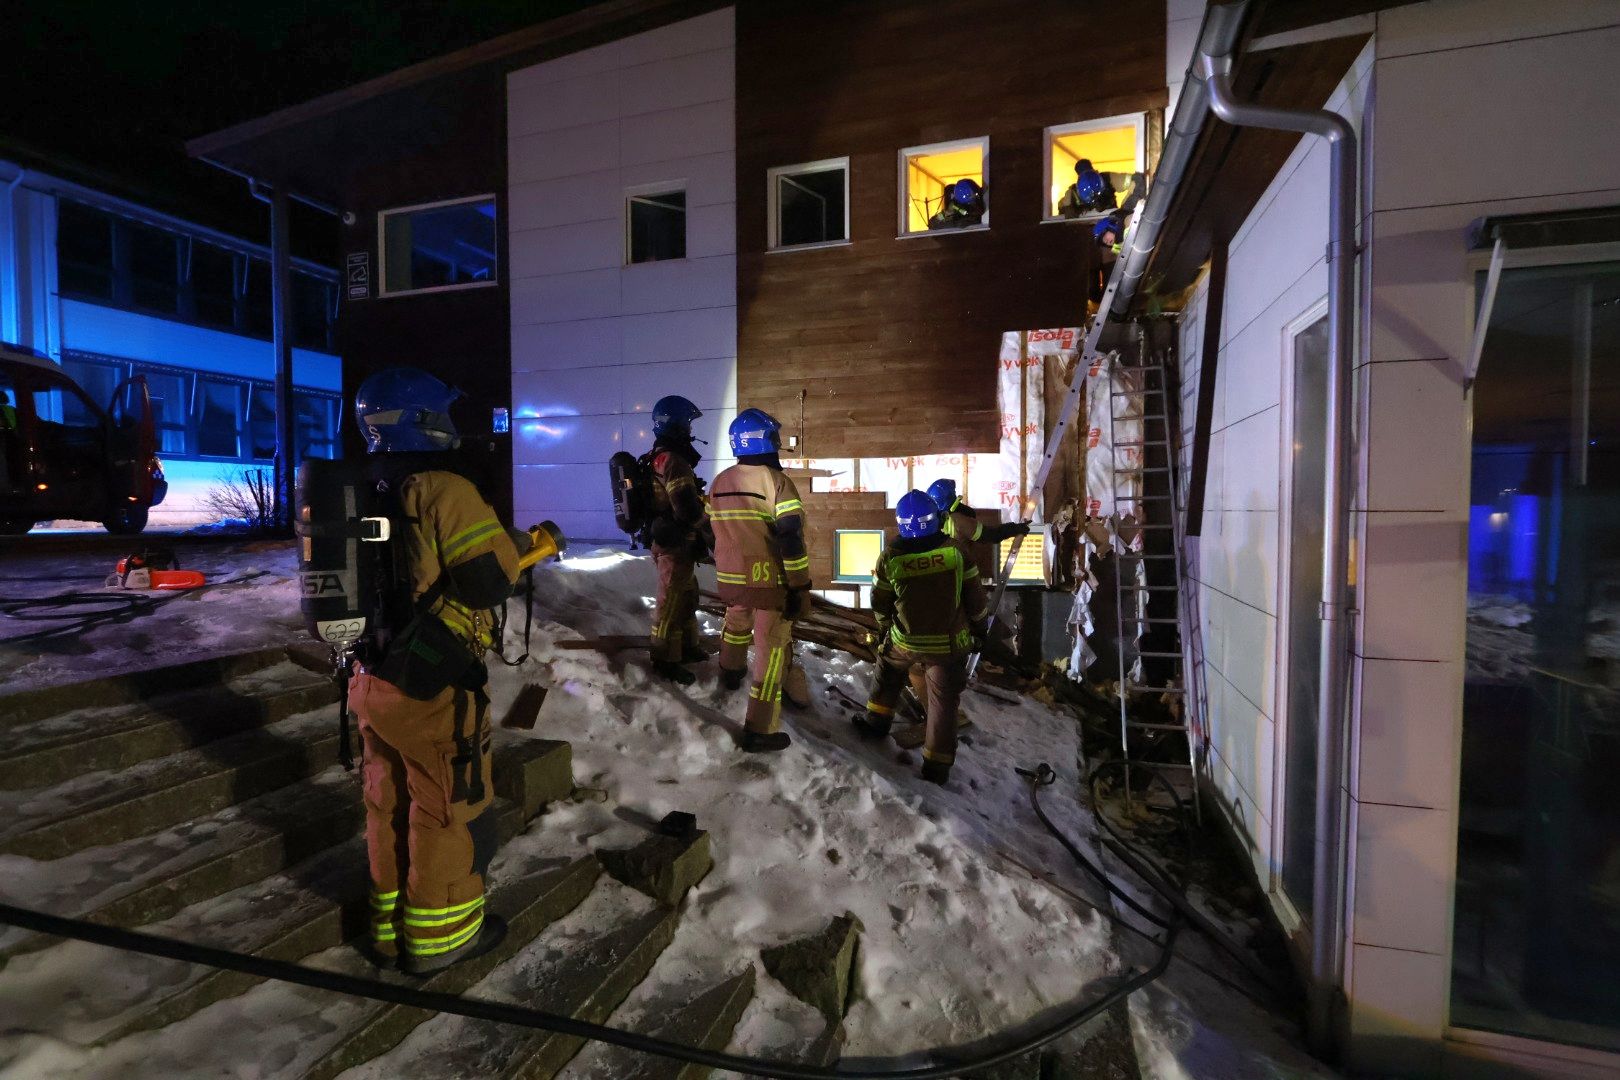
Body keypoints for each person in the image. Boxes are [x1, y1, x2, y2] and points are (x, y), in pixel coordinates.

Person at [346, 367, 529, 974]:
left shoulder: (359, 484)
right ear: (425, 421)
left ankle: (387, 929)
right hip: (432, 683)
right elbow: (485, 581)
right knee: (450, 808)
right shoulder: (441, 487)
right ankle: (441, 939)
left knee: (386, 802)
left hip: (369, 677)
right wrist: (518, 546)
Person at [856, 491, 991, 786]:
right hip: (947, 649)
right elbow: (976, 600)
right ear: (937, 519)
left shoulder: (890, 556)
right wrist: (981, 631)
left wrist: (884, 630)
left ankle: (876, 722)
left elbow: (879, 603)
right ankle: (937, 768)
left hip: (905, 644)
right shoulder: (955, 551)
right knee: (943, 706)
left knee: (887, 670)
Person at [709, 408, 810, 752]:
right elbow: (791, 540)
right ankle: (759, 729)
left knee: (736, 622)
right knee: (771, 648)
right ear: (767, 441)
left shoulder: (720, 480)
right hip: (769, 582)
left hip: (730, 579)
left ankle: (729, 671)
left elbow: (714, 531)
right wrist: (799, 586)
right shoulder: (777, 482)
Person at [645, 395, 710, 685]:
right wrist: (708, 530)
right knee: (670, 602)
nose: (690, 430)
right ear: (677, 425)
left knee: (686, 596)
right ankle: (663, 659)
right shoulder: (672, 460)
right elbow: (685, 506)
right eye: (687, 424)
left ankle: (687, 648)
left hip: (674, 540)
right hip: (674, 543)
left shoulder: (661, 455)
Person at [925, 477, 1030, 548]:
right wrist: (1015, 528)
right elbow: (991, 535)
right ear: (951, 497)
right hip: (959, 572)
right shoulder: (957, 521)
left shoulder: (924, 521)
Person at [1057, 159, 1145, 220]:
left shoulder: (1107, 178)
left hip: (1111, 223)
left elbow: (1137, 180)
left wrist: (1125, 209)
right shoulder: (1071, 194)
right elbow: (1063, 216)